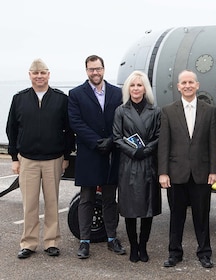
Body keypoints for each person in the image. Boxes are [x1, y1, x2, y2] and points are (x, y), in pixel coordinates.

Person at [6, 58, 74, 259]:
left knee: (52, 202)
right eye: (35, 73)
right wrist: (14, 158)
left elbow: (69, 130)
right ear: (30, 75)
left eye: (42, 73)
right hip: (27, 159)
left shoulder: (61, 99)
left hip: (54, 158)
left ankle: (51, 242)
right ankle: (29, 243)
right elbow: (11, 129)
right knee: (30, 204)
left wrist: (66, 155)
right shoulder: (19, 99)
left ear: (48, 74)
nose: (39, 76)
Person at [158, 70, 216, 269]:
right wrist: (163, 172)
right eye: (183, 83)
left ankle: (204, 253)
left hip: (201, 173)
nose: (187, 86)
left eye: (191, 82)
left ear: (197, 85)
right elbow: (164, 144)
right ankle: (174, 252)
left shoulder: (209, 110)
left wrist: (214, 170)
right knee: (177, 216)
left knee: (202, 215)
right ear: (178, 86)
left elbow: (213, 143)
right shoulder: (168, 111)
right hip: (176, 173)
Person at [68, 55, 125, 259]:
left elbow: (122, 119)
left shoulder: (117, 93)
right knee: (87, 198)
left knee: (110, 198)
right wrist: (96, 141)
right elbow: (75, 122)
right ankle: (84, 241)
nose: (95, 72)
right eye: (91, 69)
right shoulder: (75, 94)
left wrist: (110, 140)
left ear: (104, 69)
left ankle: (112, 238)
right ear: (86, 71)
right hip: (89, 153)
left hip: (112, 152)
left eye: (98, 69)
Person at [113, 70, 161, 263]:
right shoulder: (121, 111)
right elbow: (116, 138)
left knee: (147, 208)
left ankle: (143, 246)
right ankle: (133, 247)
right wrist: (134, 152)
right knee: (130, 209)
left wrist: (146, 150)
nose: (135, 89)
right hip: (128, 164)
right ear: (128, 88)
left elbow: (159, 136)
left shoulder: (155, 111)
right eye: (132, 85)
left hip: (149, 163)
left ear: (145, 88)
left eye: (139, 85)